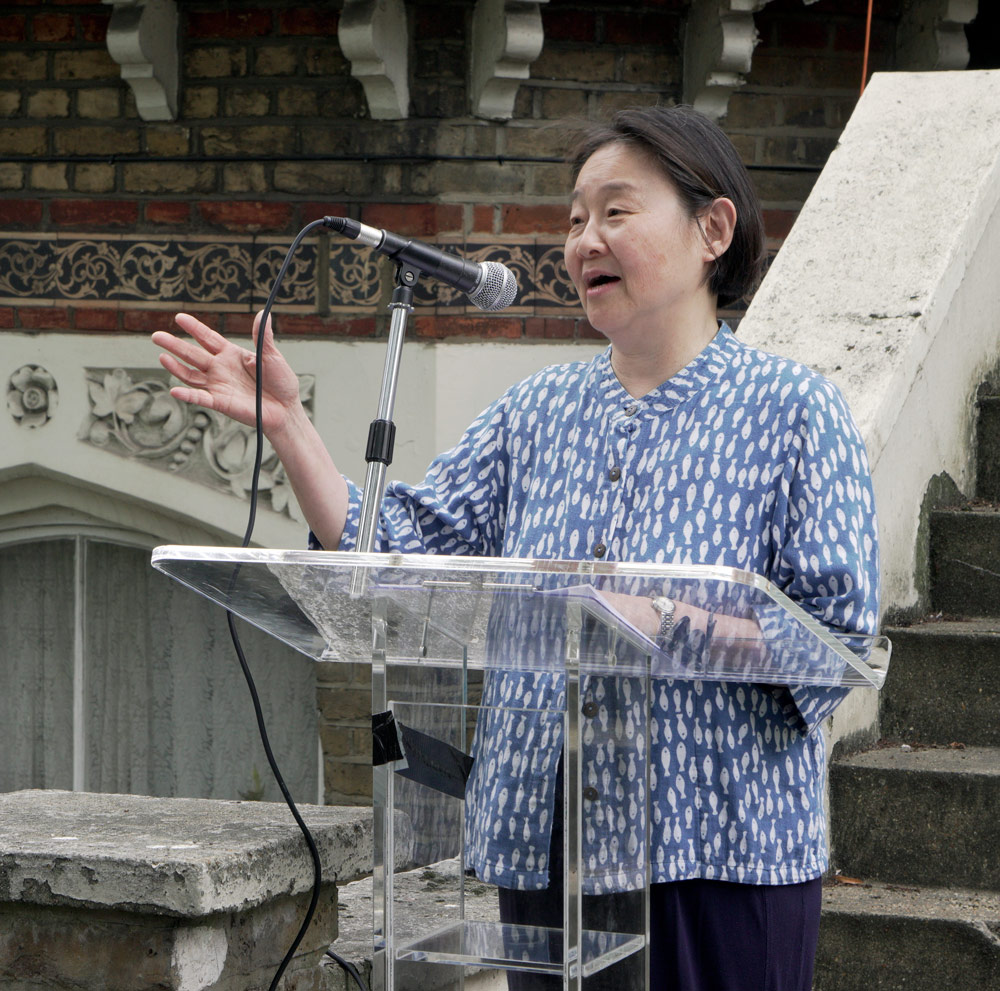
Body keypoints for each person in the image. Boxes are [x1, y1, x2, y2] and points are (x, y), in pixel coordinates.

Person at [153, 105, 879, 991]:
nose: (583, 240)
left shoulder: (797, 412)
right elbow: (397, 551)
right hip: (549, 852)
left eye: (616, 211)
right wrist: (291, 426)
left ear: (713, 229)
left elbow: (836, 641)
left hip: (720, 858)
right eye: (574, 219)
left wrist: (664, 622)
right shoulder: (534, 413)